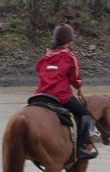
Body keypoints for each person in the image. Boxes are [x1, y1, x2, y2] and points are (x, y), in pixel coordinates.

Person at [34, 24, 98, 160]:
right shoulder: (70, 56)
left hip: (40, 95)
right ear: (70, 39)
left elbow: (39, 70)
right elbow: (75, 78)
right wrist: (79, 87)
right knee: (85, 114)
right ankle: (80, 148)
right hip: (61, 96)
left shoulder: (46, 55)